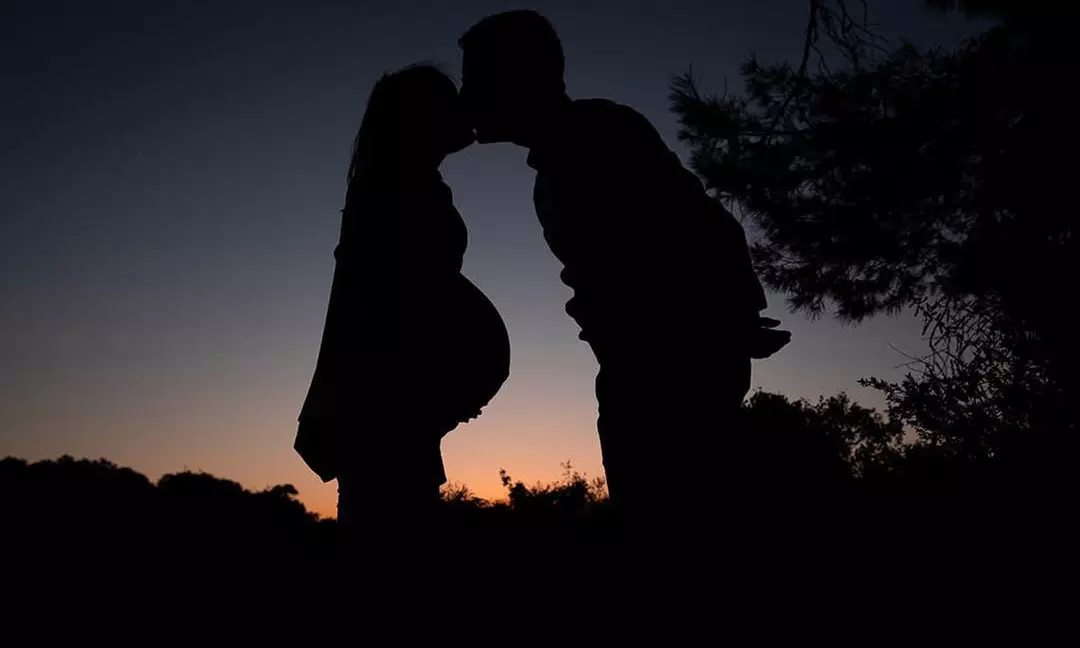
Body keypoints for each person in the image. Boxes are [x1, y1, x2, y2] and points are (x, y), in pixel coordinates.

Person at [459, 11, 789, 518]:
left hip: (671, 372)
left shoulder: (602, 134)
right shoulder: (556, 165)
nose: (467, 96)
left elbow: (699, 224)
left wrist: (730, 320)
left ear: (517, 78)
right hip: (639, 368)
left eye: (475, 80)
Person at [296, 64, 511, 528]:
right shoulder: (392, 191)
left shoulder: (411, 186)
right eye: (447, 100)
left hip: (400, 409)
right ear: (420, 118)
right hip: (387, 412)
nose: (462, 107)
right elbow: (368, 305)